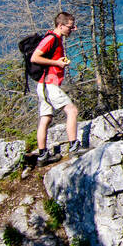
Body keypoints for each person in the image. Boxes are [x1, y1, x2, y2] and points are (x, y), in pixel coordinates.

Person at [30, 11, 80, 164]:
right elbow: (35, 57)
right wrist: (57, 63)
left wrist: (58, 61)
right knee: (72, 110)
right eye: (70, 27)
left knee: (46, 118)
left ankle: (43, 155)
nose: (72, 30)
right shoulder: (51, 39)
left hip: (44, 85)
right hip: (49, 84)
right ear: (60, 25)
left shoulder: (56, 38)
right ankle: (74, 147)